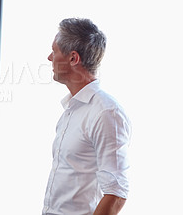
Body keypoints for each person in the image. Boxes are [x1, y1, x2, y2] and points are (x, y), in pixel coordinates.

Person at [42, 18, 131, 215]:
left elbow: (116, 193)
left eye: (54, 51)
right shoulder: (72, 109)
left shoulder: (106, 113)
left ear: (73, 58)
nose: (49, 57)